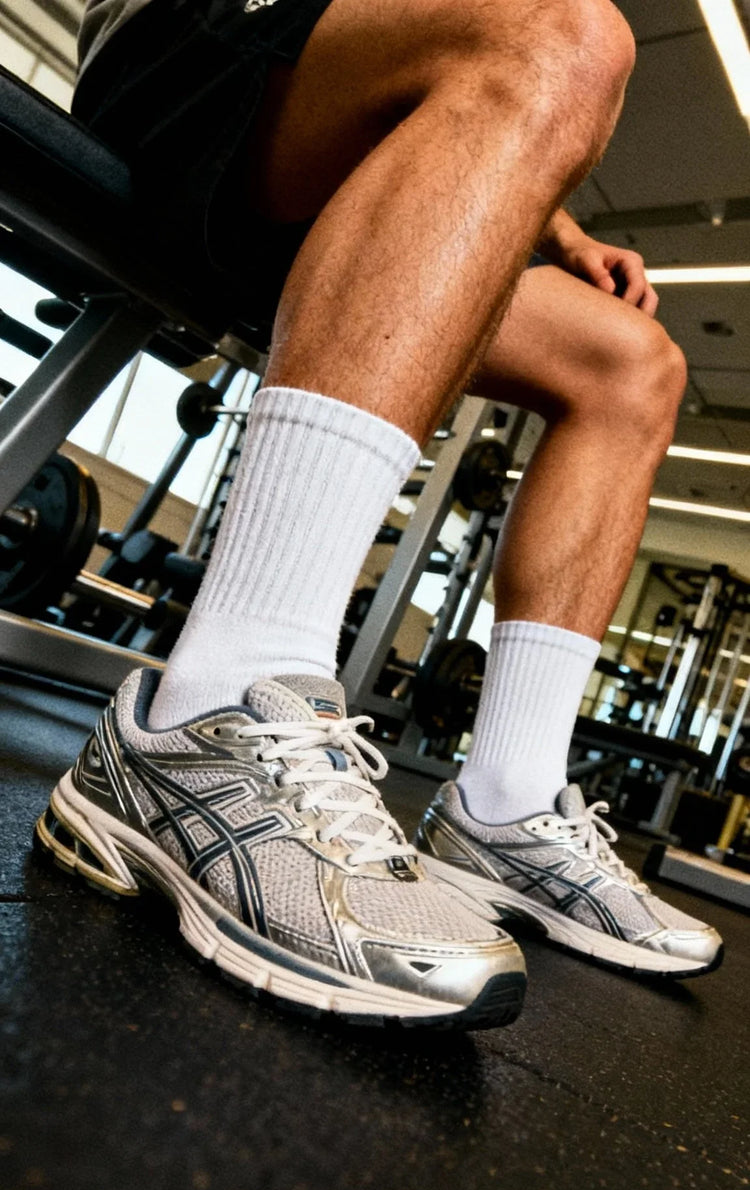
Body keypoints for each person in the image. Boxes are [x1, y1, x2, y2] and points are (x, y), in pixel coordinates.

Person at [37, 0, 723, 1031]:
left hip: (353, 144)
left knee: (633, 366)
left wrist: (557, 221)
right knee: (565, 39)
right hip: (184, 59)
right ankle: (216, 709)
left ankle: (507, 805)